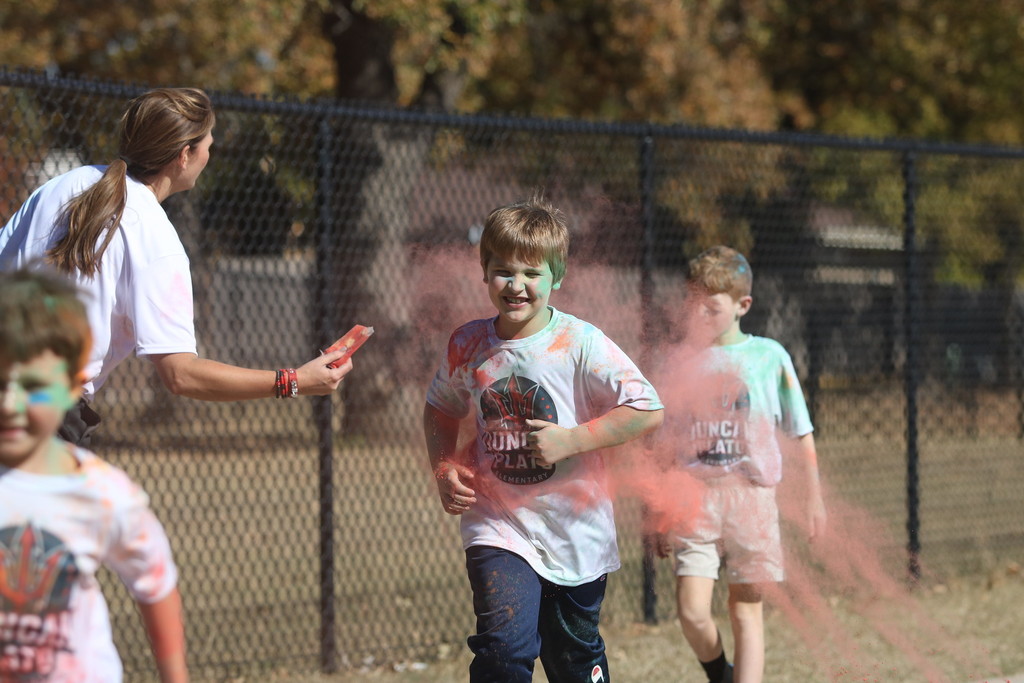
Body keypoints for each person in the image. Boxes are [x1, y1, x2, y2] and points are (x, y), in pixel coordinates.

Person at [0, 87, 352, 447]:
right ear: (185, 155)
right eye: (208, 145)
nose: (210, 153)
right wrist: (294, 380)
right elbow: (181, 375)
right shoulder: (157, 239)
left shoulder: (65, 184)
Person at [423, 197, 664, 682]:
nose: (516, 286)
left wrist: (572, 439)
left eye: (532, 274)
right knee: (502, 651)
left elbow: (647, 410)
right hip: (498, 522)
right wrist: (444, 466)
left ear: (557, 276)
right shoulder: (468, 344)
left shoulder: (581, 343)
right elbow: (441, 409)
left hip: (576, 531)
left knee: (573, 662)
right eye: (503, 271)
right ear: (485, 270)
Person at [0, 267, 188, 682]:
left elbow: (154, 583)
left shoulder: (102, 494)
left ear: (73, 386)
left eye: (34, 386)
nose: (10, 404)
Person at [653, 245, 827, 683]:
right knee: (691, 612)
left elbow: (802, 431)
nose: (699, 315)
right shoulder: (681, 362)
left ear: (742, 305)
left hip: (752, 502)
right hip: (695, 502)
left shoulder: (770, 357)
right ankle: (721, 674)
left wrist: (814, 499)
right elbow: (665, 444)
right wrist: (658, 510)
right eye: (693, 305)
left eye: (711, 307)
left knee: (745, 611)